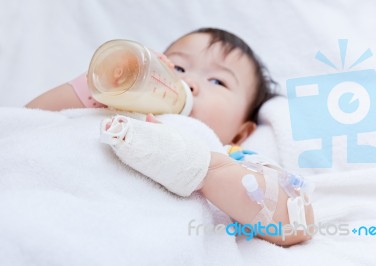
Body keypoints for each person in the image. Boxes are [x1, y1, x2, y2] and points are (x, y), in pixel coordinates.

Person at [26, 28, 314, 246]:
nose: (187, 82)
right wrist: (98, 88)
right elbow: (29, 119)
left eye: (218, 81)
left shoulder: (228, 157)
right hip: (49, 204)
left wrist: (204, 168)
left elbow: (297, 220)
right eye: (177, 68)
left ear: (242, 131)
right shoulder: (114, 108)